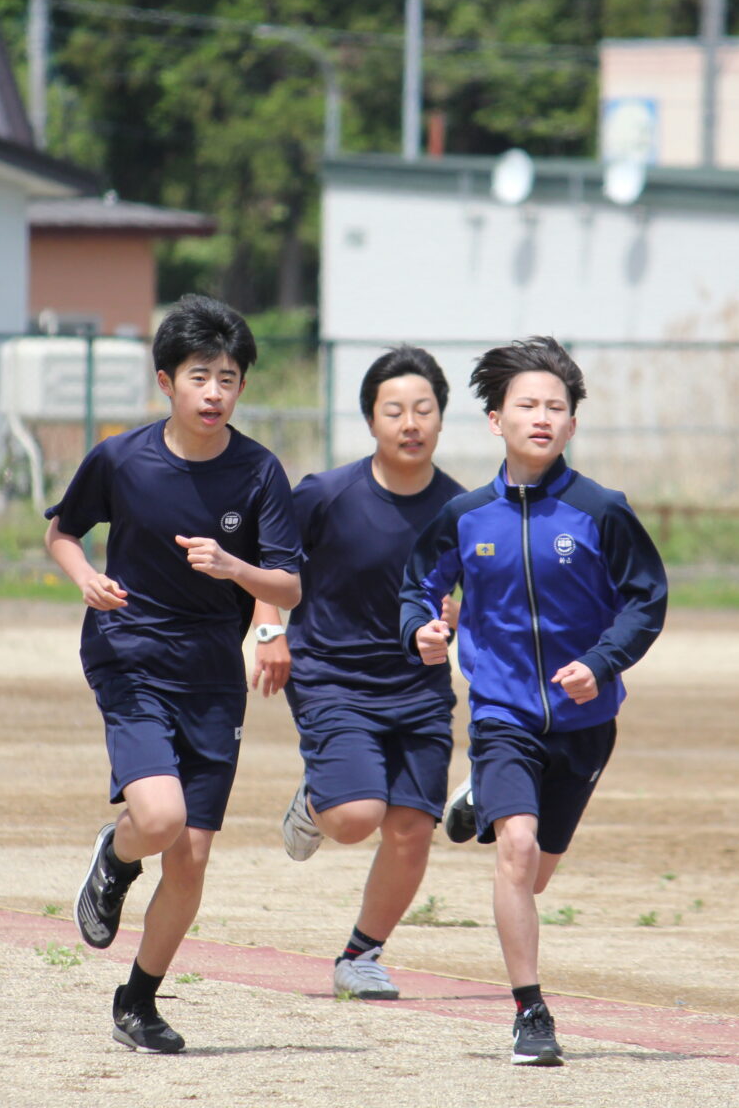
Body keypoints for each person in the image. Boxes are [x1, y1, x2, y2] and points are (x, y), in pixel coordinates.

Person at [399, 336, 667, 1067]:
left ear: (573, 425)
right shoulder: (463, 514)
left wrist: (603, 662)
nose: (542, 417)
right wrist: (421, 628)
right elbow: (420, 584)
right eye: (528, 405)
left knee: (538, 871)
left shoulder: (601, 512)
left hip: (586, 723)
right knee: (514, 851)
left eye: (557, 407)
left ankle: (481, 794)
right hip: (502, 714)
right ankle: (530, 1013)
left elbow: (647, 599)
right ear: (495, 420)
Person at [46, 295, 301, 1055]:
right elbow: (62, 531)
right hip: (128, 653)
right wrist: (85, 575)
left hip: (210, 673)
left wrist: (236, 569)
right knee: (157, 822)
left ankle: (139, 1001)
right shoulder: (123, 458)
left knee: (190, 854)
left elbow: (287, 586)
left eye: (228, 377)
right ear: (167, 382)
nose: (215, 392)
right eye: (200, 376)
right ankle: (117, 855)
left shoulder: (259, 472)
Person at [251, 345, 464, 1001]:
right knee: (355, 816)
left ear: (440, 418)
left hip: (419, 688)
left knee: (410, 830)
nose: (410, 422)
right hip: (332, 675)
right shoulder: (326, 493)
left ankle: (361, 955)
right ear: (371, 420)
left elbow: (474, 597)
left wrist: (450, 621)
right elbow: (274, 557)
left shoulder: (463, 509)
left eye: (423, 409)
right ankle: (317, 802)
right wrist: (268, 629)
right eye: (394, 410)